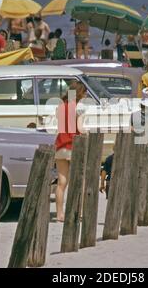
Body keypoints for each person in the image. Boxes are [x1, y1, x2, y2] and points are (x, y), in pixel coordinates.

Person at [54, 81, 87, 222]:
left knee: (62, 183)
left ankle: (59, 214)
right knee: (79, 181)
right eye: (84, 92)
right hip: (73, 147)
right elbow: (79, 128)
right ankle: (78, 212)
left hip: (60, 146)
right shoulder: (79, 107)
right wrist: (88, 133)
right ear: (80, 93)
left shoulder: (61, 107)